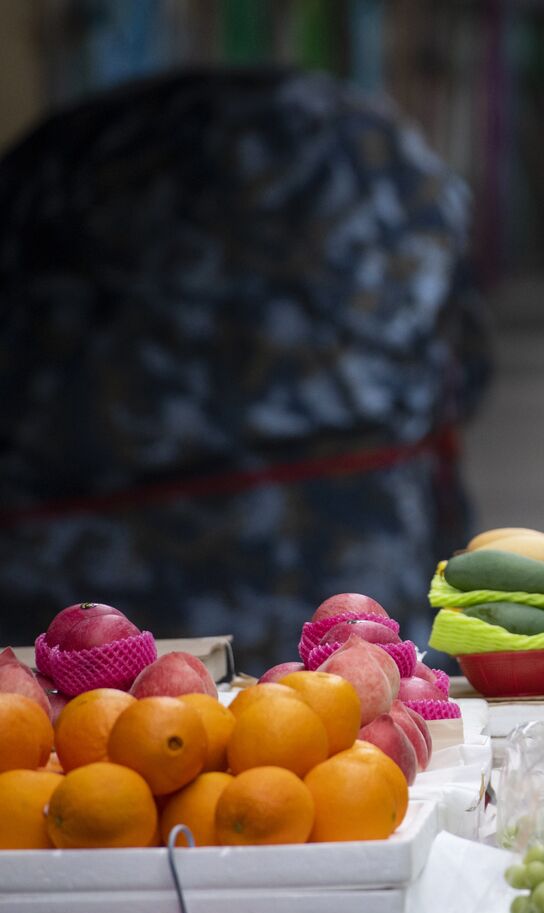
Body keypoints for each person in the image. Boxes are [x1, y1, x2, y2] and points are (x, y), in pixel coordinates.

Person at [0, 69, 492, 670]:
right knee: (376, 726)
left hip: (68, 572)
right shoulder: (375, 169)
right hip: (349, 548)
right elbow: (463, 372)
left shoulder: (62, 175)